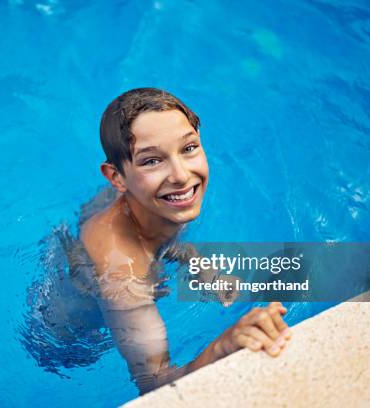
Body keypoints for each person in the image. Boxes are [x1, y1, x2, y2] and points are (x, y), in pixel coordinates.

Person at [75, 88, 292, 394]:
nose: (181, 175)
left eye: (189, 148)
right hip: (75, 344)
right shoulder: (124, 278)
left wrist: (199, 265)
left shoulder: (147, 198)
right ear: (117, 178)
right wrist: (222, 346)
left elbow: (154, 236)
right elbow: (153, 386)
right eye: (152, 161)